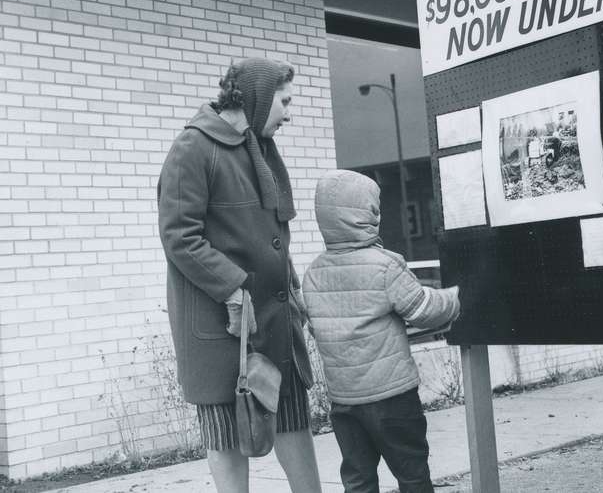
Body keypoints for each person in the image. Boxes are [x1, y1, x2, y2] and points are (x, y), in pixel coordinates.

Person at [157, 58, 322, 493]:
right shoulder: (192, 148)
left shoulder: (259, 146)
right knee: (229, 440)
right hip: (220, 330)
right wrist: (232, 288)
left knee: (293, 422)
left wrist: (294, 288)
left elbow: (273, 235)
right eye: (284, 102)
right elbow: (179, 236)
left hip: (274, 321)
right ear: (259, 95)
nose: (290, 112)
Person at [302, 169, 461, 493]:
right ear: (368, 214)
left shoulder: (314, 273)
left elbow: (320, 329)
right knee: (412, 472)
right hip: (392, 397)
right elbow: (422, 310)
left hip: (345, 402)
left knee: (358, 478)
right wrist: (455, 297)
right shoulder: (385, 264)